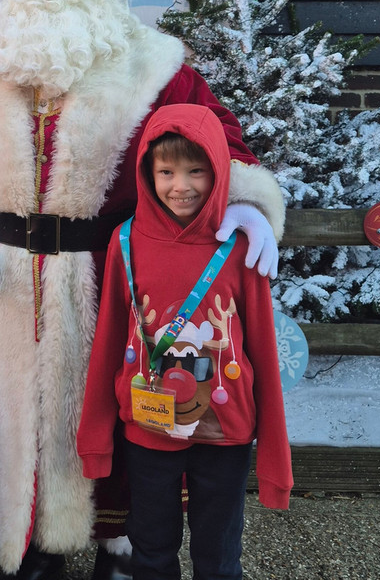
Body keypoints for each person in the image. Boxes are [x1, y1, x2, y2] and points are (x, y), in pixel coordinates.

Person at [0, 0, 285, 579]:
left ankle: (121, 542)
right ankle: (35, 543)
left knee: (123, 404)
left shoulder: (156, 68)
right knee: (19, 425)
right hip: (1, 286)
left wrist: (241, 199)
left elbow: (215, 136)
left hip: (119, 277)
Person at [77, 103, 292, 579]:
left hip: (225, 430)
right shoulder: (125, 242)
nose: (181, 186)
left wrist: (277, 465)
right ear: (146, 173)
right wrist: (95, 439)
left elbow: (262, 348)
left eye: (197, 170)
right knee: (151, 548)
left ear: (217, 169)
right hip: (148, 427)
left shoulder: (240, 247)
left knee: (218, 555)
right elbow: (109, 340)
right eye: (167, 171)